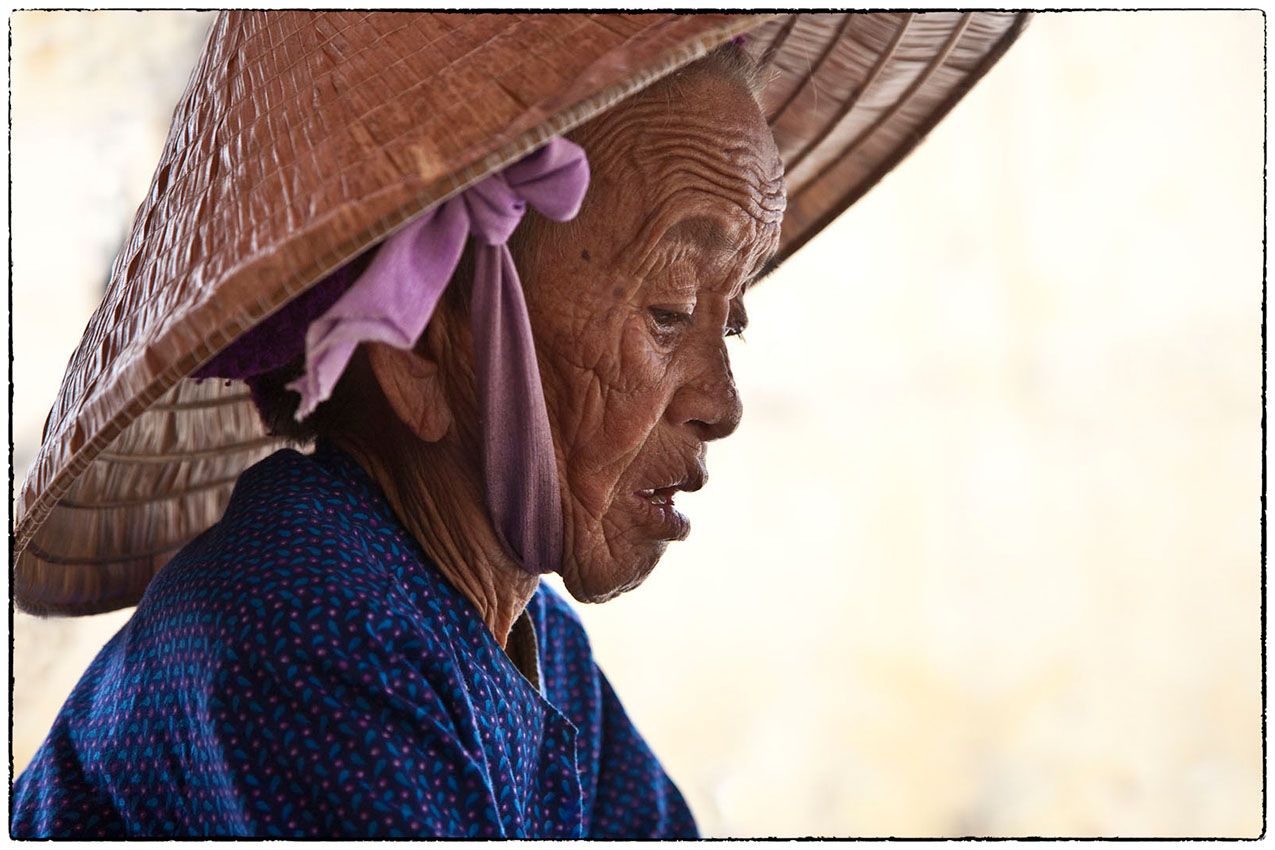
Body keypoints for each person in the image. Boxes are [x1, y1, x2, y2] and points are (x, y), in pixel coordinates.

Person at [11, 12, 1030, 838]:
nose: (721, 400)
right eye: (669, 311)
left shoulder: (531, 649)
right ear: (419, 352)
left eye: (736, 318)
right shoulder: (303, 622)